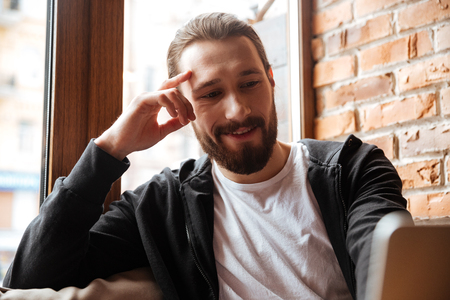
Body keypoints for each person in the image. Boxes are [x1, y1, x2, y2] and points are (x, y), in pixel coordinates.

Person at [3, 12, 408, 299]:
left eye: (249, 83)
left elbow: (389, 266)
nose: (238, 110)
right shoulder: (162, 205)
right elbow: (30, 281)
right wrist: (110, 149)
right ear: (182, 106)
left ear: (270, 81)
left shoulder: (353, 169)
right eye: (211, 94)